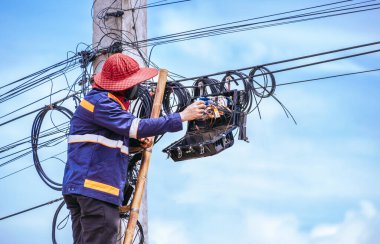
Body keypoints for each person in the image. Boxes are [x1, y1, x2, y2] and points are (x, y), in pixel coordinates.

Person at [62, 53, 205, 244]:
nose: (138, 88)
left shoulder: (100, 104)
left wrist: (136, 144)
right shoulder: (102, 103)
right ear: (124, 86)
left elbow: (102, 145)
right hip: (95, 189)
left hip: (82, 188)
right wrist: (182, 116)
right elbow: (137, 126)